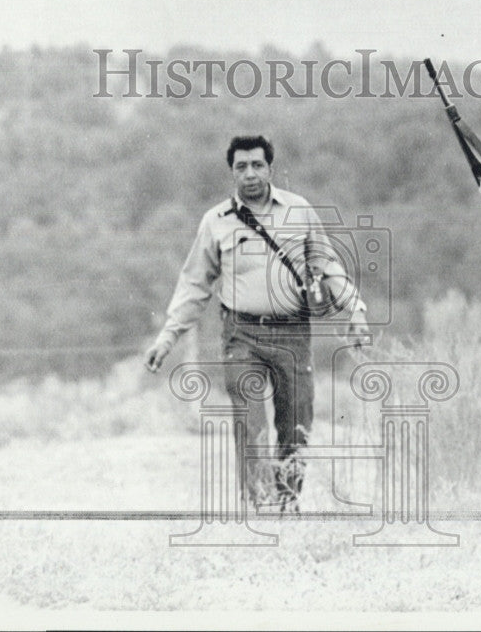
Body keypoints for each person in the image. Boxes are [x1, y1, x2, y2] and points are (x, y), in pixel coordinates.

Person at [144, 135, 369, 511]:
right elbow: (194, 284)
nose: (250, 174)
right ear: (232, 172)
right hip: (242, 334)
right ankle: (261, 505)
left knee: (296, 422)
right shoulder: (215, 222)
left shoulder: (299, 211)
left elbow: (327, 265)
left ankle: (287, 502)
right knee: (250, 424)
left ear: (270, 168)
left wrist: (356, 311)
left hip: (293, 333)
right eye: (241, 167)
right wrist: (167, 338)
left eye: (257, 165)